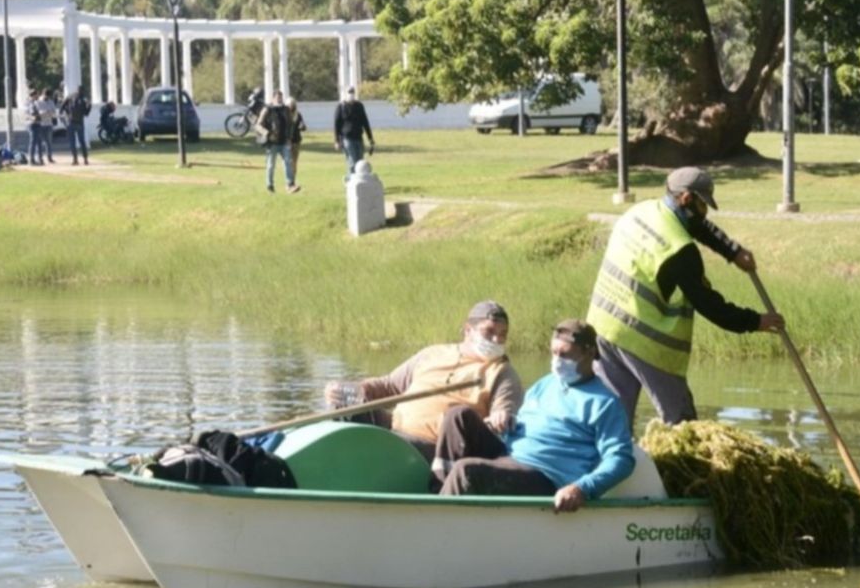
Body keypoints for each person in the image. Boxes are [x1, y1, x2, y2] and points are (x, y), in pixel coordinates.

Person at [588, 167, 785, 425]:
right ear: (687, 198)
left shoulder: (643, 211)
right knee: (683, 424)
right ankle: (679, 465)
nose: (705, 212)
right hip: (643, 338)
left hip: (602, 325)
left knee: (612, 422)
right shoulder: (680, 250)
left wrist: (732, 251)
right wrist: (756, 321)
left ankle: (613, 463)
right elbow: (709, 305)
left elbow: (696, 224)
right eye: (703, 204)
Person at [437, 320, 635, 513]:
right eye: (554, 353)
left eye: (565, 355)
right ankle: (435, 496)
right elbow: (523, 426)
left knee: (467, 471)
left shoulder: (604, 402)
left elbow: (620, 459)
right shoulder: (545, 384)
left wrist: (582, 488)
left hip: (546, 476)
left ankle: (438, 526)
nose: (557, 361)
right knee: (458, 416)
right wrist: (502, 427)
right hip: (510, 458)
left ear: (589, 353)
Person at [323, 300, 523, 477]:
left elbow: (504, 411)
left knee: (451, 418)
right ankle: (321, 471)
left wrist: (501, 415)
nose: (496, 340)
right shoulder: (433, 354)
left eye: (502, 335)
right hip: (392, 428)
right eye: (489, 332)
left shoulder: (502, 372)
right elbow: (388, 385)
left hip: (433, 448)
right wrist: (349, 389)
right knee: (344, 402)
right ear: (468, 330)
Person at [256, 90, 299, 194]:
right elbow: (258, 125)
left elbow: (291, 124)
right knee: (271, 165)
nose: (279, 99)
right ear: (273, 98)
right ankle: (269, 185)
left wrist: (289, 137)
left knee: (288, 162)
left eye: (281, 97)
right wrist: (268, 134)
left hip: (284, 141)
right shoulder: (267, 109)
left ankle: (290, 185)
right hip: (272, 143)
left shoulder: (286, 110)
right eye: (277, 98)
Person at [333, 85, 374, 177]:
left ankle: (358, 180)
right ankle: (352, 181)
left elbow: (365, 122)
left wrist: (370, 138)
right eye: (349, 92)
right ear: (345, 93)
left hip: (358, 137)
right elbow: (336, 124)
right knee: (352, 161)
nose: (351, 94)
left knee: (360, 162)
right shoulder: (341, 107)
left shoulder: (359, 106)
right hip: (347, 138)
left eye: (352, 92)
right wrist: (336, 140)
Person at [61, 86, 91, 165]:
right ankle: (84, 159)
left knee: (73, 142)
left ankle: (75, 159)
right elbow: (86, 113)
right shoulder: (83, 99)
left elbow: (62, 108)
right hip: (79, 123)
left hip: (71, 122)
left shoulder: (70, 96)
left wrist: (67, 114)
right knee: (81, 142)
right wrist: (89, 106)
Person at [36, 88, 59, 165]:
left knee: (49, 142)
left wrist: (50, 113)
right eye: (46, 96)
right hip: (41, 124)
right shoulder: (38, 101)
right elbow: (37, 112)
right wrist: (44, 112)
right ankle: (40, 158)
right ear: (43, 94)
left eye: (48, 96)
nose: (47, 98)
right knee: (39, 142)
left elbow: (53, 112)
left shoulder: (51, 102)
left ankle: (49, 157)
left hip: (49, 123)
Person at [285, 96, 308, 175]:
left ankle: (292, 179)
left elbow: (303, 125)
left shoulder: (298, 115)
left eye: (292, 104)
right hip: (286, 141)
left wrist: (302, 126)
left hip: (296, 140)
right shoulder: (284, 115)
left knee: (294, 161)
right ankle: (289, 179)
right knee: (288, 160)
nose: (291, 106)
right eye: (290, 104)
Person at [24, 89, 43, 165]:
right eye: (36, 95)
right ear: (33, 95)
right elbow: (26, 114)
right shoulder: (28, 103)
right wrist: (32, 118)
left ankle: (40, 158)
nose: (37, 96)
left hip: (38, 123)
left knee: (39, 142)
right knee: (33, 142)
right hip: (32, 124)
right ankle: (31, 159)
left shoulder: (36, 103)